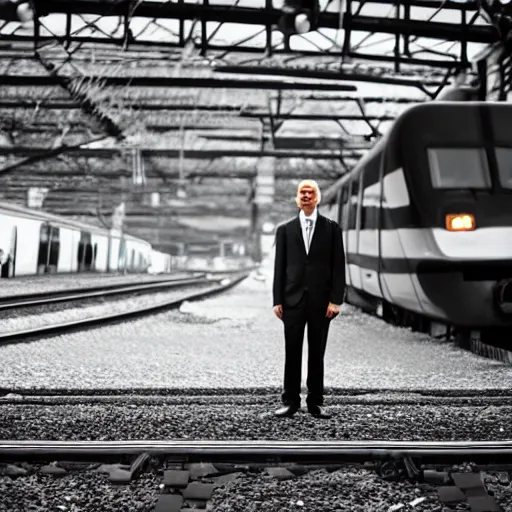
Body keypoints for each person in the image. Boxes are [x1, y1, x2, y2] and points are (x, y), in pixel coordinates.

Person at [272, 179, 346, 418]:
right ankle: (290, 401)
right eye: (301, 192)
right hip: (292, 301)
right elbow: (279, 267)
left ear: (317, 198)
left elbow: (338, 266)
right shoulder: (284, 230)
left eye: (310, 192)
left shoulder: (332, 229)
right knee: (291, 353)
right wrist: (277, 300)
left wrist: (336, 300)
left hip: (321, 303)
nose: (305, 195)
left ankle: (315, 402)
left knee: (317, 354)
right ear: (297, 198)